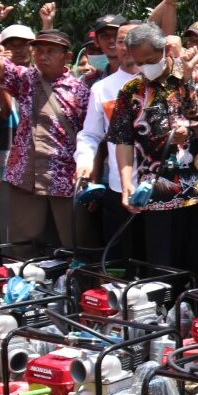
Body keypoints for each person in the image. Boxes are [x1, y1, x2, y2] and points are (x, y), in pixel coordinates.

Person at [108, 23, 198, 277]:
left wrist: (191, 131)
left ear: (167, 50)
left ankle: (192, 312)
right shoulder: (131, 91)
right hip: (157, 192)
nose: (145, 67)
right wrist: (127, 182)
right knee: (162, 267)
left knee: (197, 262)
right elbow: (123, 139)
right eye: (139, 63)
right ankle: (164, 314)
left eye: (150, 60)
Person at [0, 3, 91, 248]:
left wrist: (89, 178)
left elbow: (91, 138)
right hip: (24, 180)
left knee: (73, 249)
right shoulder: (25, 80)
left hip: (65, 182)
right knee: (22, 251)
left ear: (67, 57)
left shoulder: (81, 91)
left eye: (51, 51)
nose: (43, 56)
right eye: (39, 51)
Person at [76, 21, 145, 261]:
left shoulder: (165, 84)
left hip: (160, 190)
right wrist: (84, 161)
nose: (126, 47)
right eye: (121, 41)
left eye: (133, 40)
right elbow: (90, 134)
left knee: (157, 263)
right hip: (119, 188)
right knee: (120, 263)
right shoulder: (102, 89)